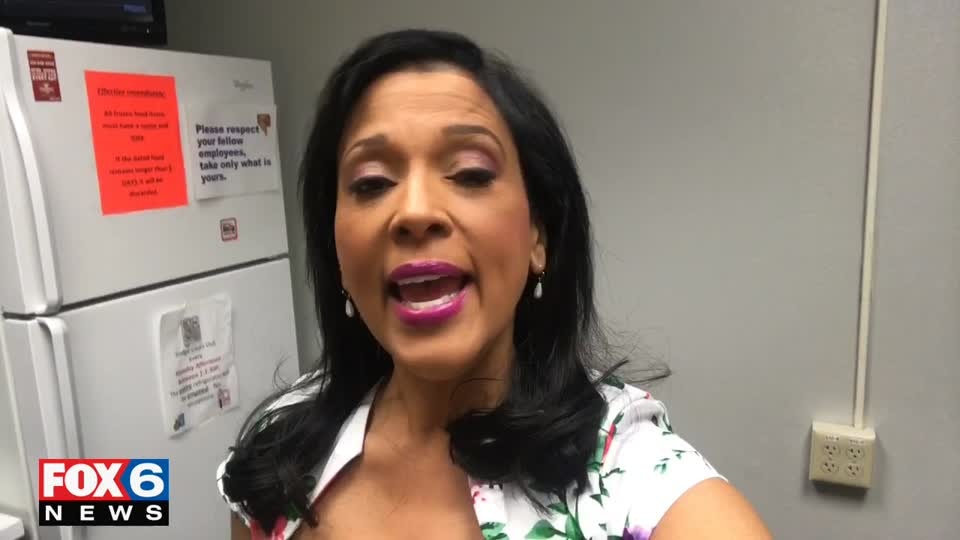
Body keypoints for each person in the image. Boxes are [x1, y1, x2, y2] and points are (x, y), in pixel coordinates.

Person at [217, 29, 771, 540]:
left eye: (471, 173)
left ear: (538, 236)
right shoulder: (277, 458)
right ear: (336, 250)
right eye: (372, 182)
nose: (414, 211)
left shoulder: (630, 478)